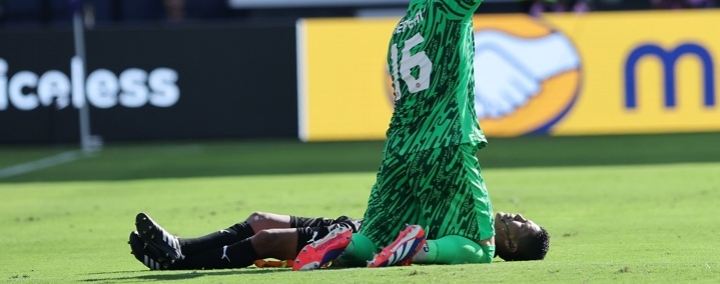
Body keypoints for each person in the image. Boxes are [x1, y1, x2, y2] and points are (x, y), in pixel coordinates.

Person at [294, 0, 560, 271]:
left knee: (374, 237)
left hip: (399, 148)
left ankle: (344, 245)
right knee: (480, 246)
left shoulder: (402, 29)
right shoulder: (450, 5)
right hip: (446, 141)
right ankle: (418, 250)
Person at [128, 211, 549, 270]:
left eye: (520, 224)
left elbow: (411, 250)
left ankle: (179, 264)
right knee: (259, 220)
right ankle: (181, 245)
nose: (513, 215)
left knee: (269, 239)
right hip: (358, 221)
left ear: (510, 247)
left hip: (351, 240)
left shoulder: (474, 247)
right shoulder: (471, 210)